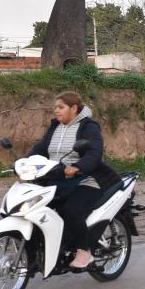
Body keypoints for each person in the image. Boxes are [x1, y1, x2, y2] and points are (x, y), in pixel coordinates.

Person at [26, 91, 120, 269]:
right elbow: (40, 149)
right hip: (58, 180)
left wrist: (78, 167)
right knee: (35, 207)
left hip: (87, 180)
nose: (56, 111)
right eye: (55, 107)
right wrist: (25, 162)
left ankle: (84, 251)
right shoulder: (55, 127)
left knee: (70, 210)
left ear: (74, 108)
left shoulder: (88, 127)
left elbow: (94, 153)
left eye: (61, 107)